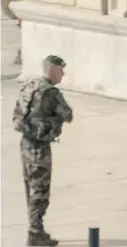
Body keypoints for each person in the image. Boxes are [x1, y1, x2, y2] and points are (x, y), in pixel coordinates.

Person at [12, 55, 73, 246]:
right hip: (40, 147)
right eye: (61, 70)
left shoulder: (29, 86)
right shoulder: (50, 92)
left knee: (30, 187)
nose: (63, 74)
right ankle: (35, 232)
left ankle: (35, 228)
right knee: (40, 191)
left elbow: (16, 115)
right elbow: (68, 114)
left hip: (25, 144)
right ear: (51, 69)